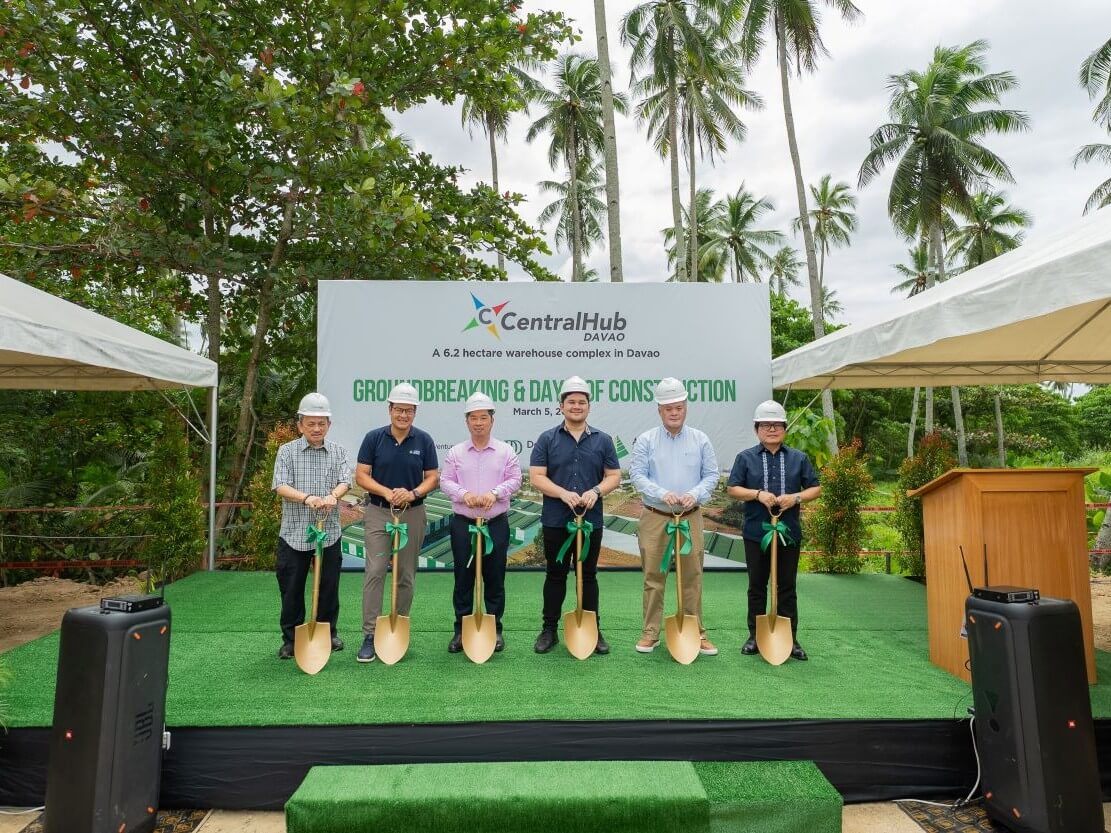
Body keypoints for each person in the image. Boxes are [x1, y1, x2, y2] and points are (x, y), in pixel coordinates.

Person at [528, 376, 622, 655]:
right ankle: (549, 629)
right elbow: (537, 476)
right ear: (561, 406)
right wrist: (562, 493)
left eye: (582, 402)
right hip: (556, 520)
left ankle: (593, 628)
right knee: (555, 575)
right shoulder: (547, 439)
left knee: (589, 576)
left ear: (589, 407)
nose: (577, 406)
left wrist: (596, 490)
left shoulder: (603, 440)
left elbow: (614, 476)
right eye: (571, 402)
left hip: (590, 521)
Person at [629, 377, 720, 656]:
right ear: (659, 410)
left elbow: (711, 475)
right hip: (655, 515)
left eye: (678, 407)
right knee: (653, 576)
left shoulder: (700, 439)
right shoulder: (646, 440)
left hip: (690, 516)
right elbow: (637, 475)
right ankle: (650, 633)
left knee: (692, 576)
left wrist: (695, 494)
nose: (674, 413)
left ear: (686, 407)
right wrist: (661, 493)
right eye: (668, 408)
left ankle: (697, 632)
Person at [726, 400, 821, 661]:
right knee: (757, 586)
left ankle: (790, 638)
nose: (771, 429)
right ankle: (755, 636)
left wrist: (795, 498)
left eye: (777, 424)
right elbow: (733, 488)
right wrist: (757, 494)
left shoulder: (799, 458)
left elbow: (815, 488)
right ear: (756, 429)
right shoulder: (745, 458)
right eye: (766, 425)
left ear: (785, 429)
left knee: (787, 586)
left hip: (789, 534)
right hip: (756, 533)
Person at [354, 382, 439, 663]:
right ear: (389, 409)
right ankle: (370, 634)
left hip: (412, 513)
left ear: (415, 412)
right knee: (375, 571)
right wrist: (387, 492)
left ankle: (398, 627)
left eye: (409, 410)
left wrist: (412, 493)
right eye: (399, 409)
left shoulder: (424, 440)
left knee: (405, 574)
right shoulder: (373, 438)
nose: (403, 415)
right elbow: (362, 475)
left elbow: (433, 477)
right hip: (379, 512)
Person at [271, 392, 352, 659]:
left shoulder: (338, 451)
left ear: (329, 424)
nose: (316, 428)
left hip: (328, 533)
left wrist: (333, 496)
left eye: (321, 423)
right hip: (294, 533)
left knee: (328, 587)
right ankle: (292, 639)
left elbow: (345, 481)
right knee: (291, 588)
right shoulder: (287, 451)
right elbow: (280, 485)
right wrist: (307, 498)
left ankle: (327, 633)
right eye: (311, 423)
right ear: (300, 425)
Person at [440, 392, 522, 653]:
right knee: (463, 578)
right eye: (473, 418)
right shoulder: (456, 452)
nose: (478, 423)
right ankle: (461, 630)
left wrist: (494, 494)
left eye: (483, 418)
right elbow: (445, 481)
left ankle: (494, 628)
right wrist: (463, 494)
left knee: (495, 578)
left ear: (492, 420)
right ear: (467, 421)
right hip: (463, 524)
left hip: (495, 524)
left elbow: (515, 479)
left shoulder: (505, 451)